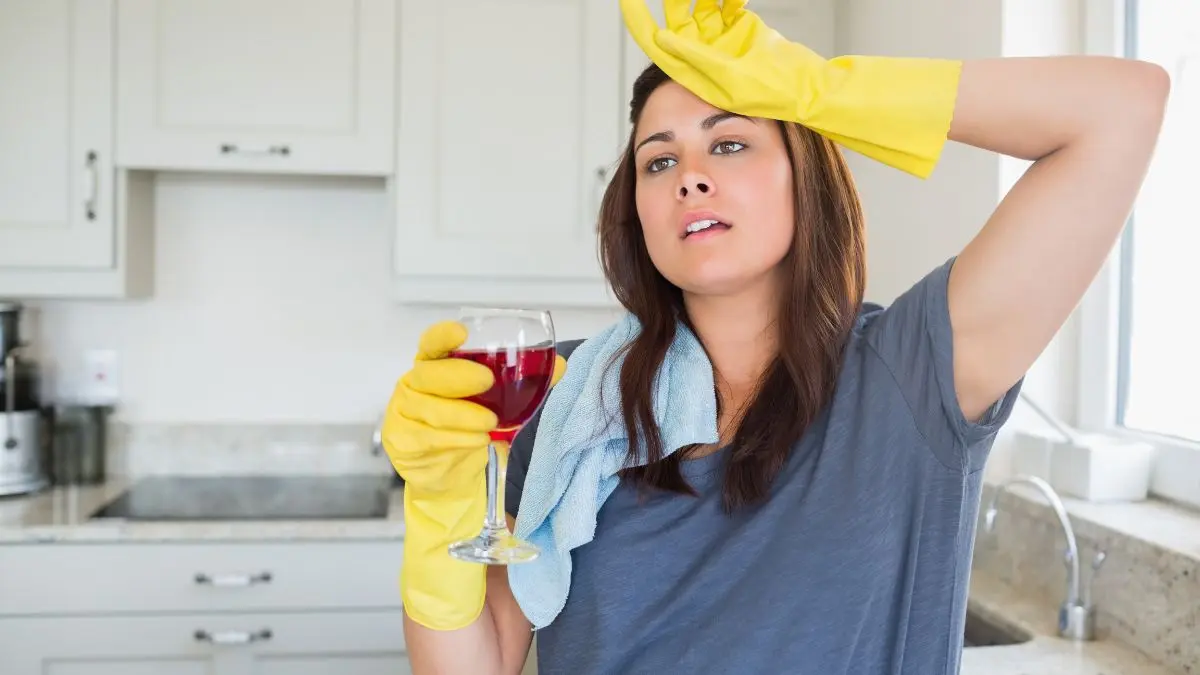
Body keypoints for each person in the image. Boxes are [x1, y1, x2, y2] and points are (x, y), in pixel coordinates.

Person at [381, 1, 1170, 673]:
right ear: (637, 211)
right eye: (659, 162)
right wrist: (440, 508)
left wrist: (816, 89)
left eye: (730, 143)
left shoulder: (912, 376)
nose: (689, 175)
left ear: (808, 175)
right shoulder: (569, 397)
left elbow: (1121, 110)